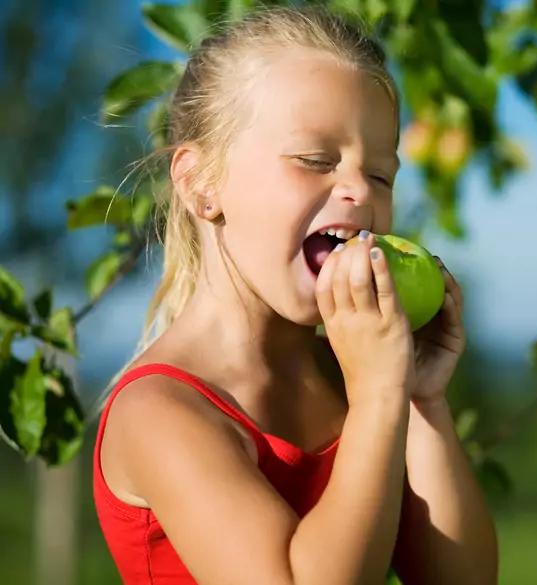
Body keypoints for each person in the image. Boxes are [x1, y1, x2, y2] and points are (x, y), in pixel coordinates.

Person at [92, 5, 498, 585]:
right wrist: (381, 395)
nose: (359, 189)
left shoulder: (350, 375)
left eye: (381, 174)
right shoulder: (162, 411)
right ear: (200, 183)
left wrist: (420, 400)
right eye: (315, 161)